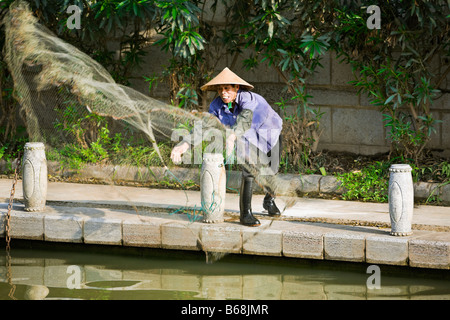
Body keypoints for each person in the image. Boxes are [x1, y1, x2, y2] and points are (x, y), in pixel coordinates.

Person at [171, 67, 283, 227]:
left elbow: (245, 118)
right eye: (220, 89)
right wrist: (185, 144)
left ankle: (269, 200)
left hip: (270, 133)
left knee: (272, 170)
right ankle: (246, 214)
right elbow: (203, 126)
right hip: (247, 137)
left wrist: (232, 136)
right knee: (249, 171)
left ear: (236, 87)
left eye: (227, 88)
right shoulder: (216, 106)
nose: (223, 92)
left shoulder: (247, 98)